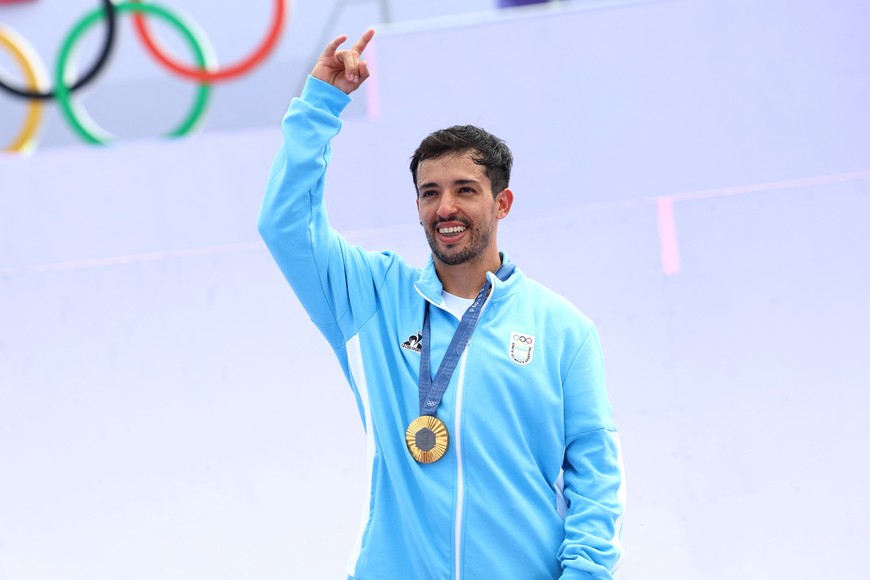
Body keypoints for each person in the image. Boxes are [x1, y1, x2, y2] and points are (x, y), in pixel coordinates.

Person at [257, 29, 625, 580]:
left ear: (502, 202)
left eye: (465, 189)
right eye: (430, 192)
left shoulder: (562, 330)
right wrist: (320, 106)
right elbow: (285, 225)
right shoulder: (375, 298)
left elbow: (595, 483)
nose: (445, 207)